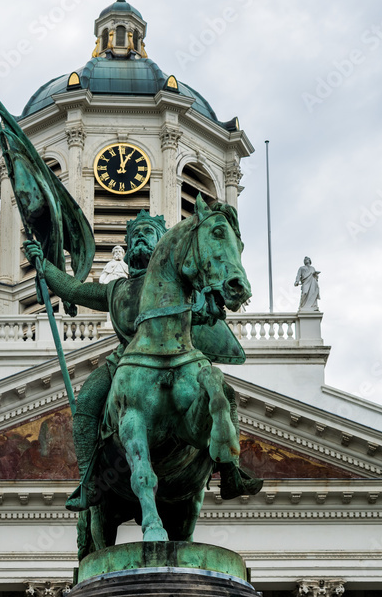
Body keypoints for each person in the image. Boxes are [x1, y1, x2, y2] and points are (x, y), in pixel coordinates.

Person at [24, 207, 260, 509]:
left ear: (164, 242)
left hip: (181, 355)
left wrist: (213, 310)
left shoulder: (189, 290)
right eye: (134, 236)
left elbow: (209, 316)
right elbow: (74, 289)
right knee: (86, 404)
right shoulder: (116, 290)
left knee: (223, 392)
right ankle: (87, 482)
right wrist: (43, 265)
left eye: (147, 234)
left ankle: (230, 469)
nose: (138, 240)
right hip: (125, 362)